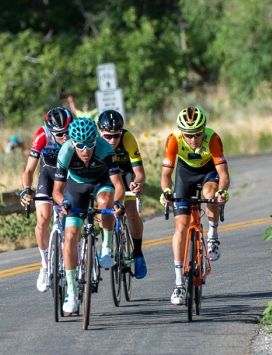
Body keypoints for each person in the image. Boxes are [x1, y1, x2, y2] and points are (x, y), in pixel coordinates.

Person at [52, 117, 126, 313]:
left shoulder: (105, 149)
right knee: (69, 237)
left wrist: (117, 203)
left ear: (96, 140)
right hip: (76, 186)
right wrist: (63, 203)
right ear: (73, 143)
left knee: (104, 203)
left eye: (90, 144)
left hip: (101, 182)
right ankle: (72, 291)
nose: (85, 150)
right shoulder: (66, 151)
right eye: (81, 146)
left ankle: (107, 246)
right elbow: (57, 191)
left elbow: (119, 185)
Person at [160, 106, 230, 306]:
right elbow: (166, 175)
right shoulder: (173, 139)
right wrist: (166, 192)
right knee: (181, 226)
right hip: (184, 174)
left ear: (204, 130)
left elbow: (223, 174)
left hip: (208, 172)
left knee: (210, 194)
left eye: (197, 134)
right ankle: (179, 284)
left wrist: (222, 192)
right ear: (182, 133)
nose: (193, 139)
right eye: (188, 135)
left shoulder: (213, 139)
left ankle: (212, 236)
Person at [19, 107, 72, 292]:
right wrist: (27, 189)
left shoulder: (75, 134)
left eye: (67, 132)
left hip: (68, 177)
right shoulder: (42, 135)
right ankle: (45, 263)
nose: (65, 137)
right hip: (48, 176)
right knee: (42, 221)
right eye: (59, 134)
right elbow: (29, 170)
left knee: (72, 219)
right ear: (50, 131)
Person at [96, 110, 148, 279]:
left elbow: (139, 173)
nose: (112, 140)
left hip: (125, 173)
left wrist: (137, 183)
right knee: (102, 207)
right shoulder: (95, 143)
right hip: (106, 174)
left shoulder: (128, 139)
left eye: (116, 135)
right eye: (107, 136)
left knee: (132, 214)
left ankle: (138, 253)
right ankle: (107, 245)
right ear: (99, 133)